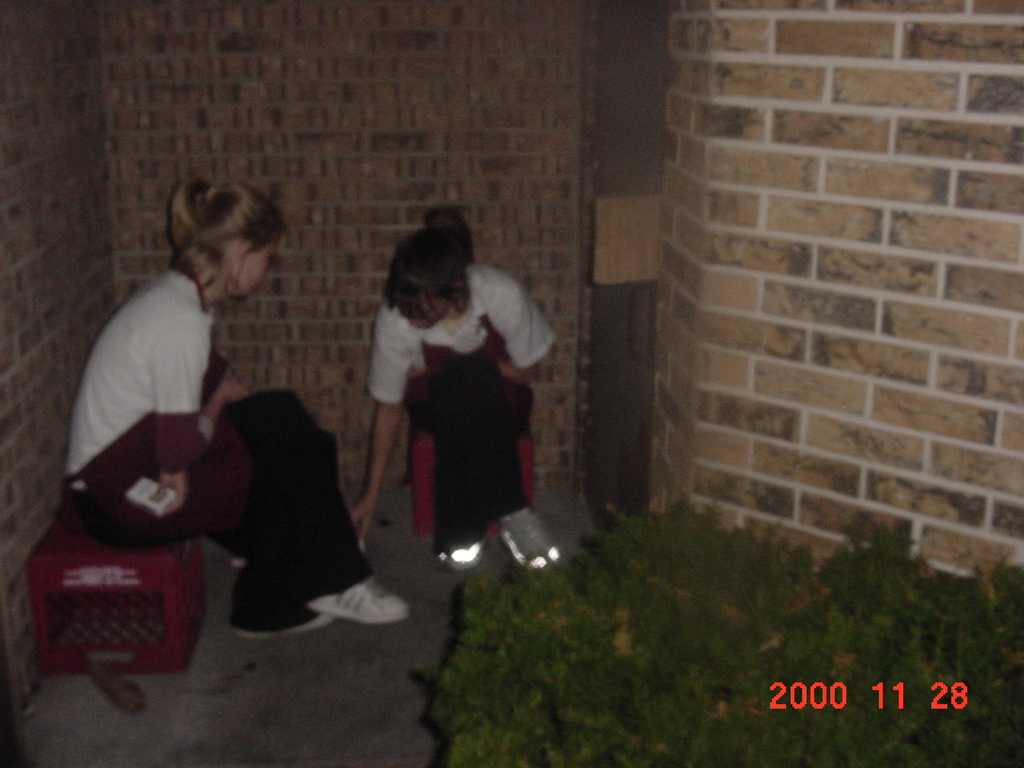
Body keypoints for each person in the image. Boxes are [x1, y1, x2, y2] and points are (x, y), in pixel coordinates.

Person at [62, 179, 409, 642]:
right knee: (267, 463)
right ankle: (288, 599)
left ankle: (320, 566)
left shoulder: (177, 296)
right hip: (115, 499)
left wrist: (230, 402)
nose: (268, 271)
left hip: (124, 467)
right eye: (267, 258)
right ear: (241, 252)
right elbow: (178, 451)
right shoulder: (180, 319)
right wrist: (219, 403)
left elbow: (202, 390)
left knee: (282, 420)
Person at [350, 207, 560, 571]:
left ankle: (463, 533)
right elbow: (389, 406)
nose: (413, 318)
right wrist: (371, 493)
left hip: (503, 402)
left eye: (424, 309)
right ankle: (512, 511)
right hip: (435, 409)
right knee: (457, 383)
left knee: (470, 374)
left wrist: (485, 365)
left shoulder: (500, 293)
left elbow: (528, 369)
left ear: (454, 292)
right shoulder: (395, 318)